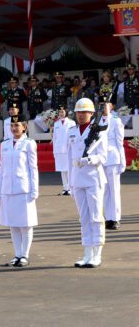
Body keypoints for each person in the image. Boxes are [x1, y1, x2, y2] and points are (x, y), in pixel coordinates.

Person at [68, 98, 108, 268]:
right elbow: (70, 158)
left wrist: (89, 160)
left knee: (95, 216)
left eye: (85, 112)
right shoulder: (71, 131)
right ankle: (86, 253)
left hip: (93, 178)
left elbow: (103, 156)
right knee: (83, 217)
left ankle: (97, 253)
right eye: (78, 112)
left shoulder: (99, 132)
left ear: (92, 114)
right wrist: (70, 182)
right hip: (78, 179)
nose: (81, 115)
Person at [0, 115, 38, 267]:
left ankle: (25, 255)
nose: (14, 128)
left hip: (23, 188)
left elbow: (33, 168)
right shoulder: (5, 144)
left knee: (25, 224)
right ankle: (17, 254)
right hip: (8, 187)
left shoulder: (29, 143)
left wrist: (34, 189)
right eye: (12, 125)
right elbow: (2, 168)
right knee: (13, 223)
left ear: (24, 127)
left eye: (17, 125)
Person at [99, 93, 125, 230]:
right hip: (100, 159)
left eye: (106, 104)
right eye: (102, 105)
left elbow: (120, 142)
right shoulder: (96, 121)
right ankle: (106, 217)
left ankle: (114, 218)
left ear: (111, 106)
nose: (104, 107)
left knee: (114, 190)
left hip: (113, 158)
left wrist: (123, 160)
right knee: (103, 190)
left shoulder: (115, 120)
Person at [52, 106, 75, 196]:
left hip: (68, 149)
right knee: (62, 169)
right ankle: (65, 188)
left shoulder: (71, 123)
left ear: (66, 112)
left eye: (63, 112)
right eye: (60, 112)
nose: (61, 113)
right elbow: (55, 137)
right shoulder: (56, 124)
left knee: (69, 169)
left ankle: (70, 188)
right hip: (59, 149)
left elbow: (73, 136)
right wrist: (54, 150)